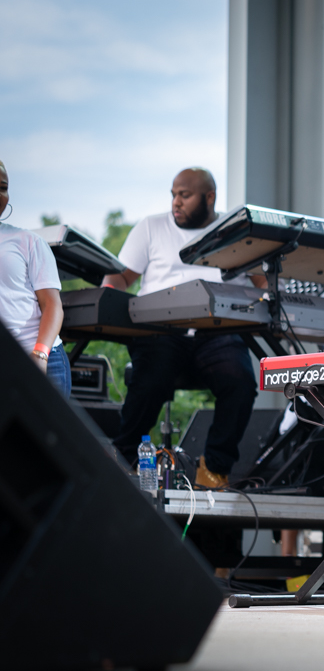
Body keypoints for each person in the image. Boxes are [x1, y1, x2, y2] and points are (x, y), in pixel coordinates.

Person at [103, 168, 261, 488]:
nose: (176, 202)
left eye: (185, 195)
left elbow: (264, 283)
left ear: (209, 197)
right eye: (174, 194)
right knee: (151, 377)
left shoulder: (236, 231)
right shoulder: (151, 227)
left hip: (216, 332)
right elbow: (120, 278)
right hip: (161, 329)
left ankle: (214, 469)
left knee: (240, 381)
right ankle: (125, 459)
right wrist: (107, 298)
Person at [0, 160, 70, 396]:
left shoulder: (28, 241)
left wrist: (40, 355)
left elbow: (52, 305)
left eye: (3, 187)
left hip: (37, 357)